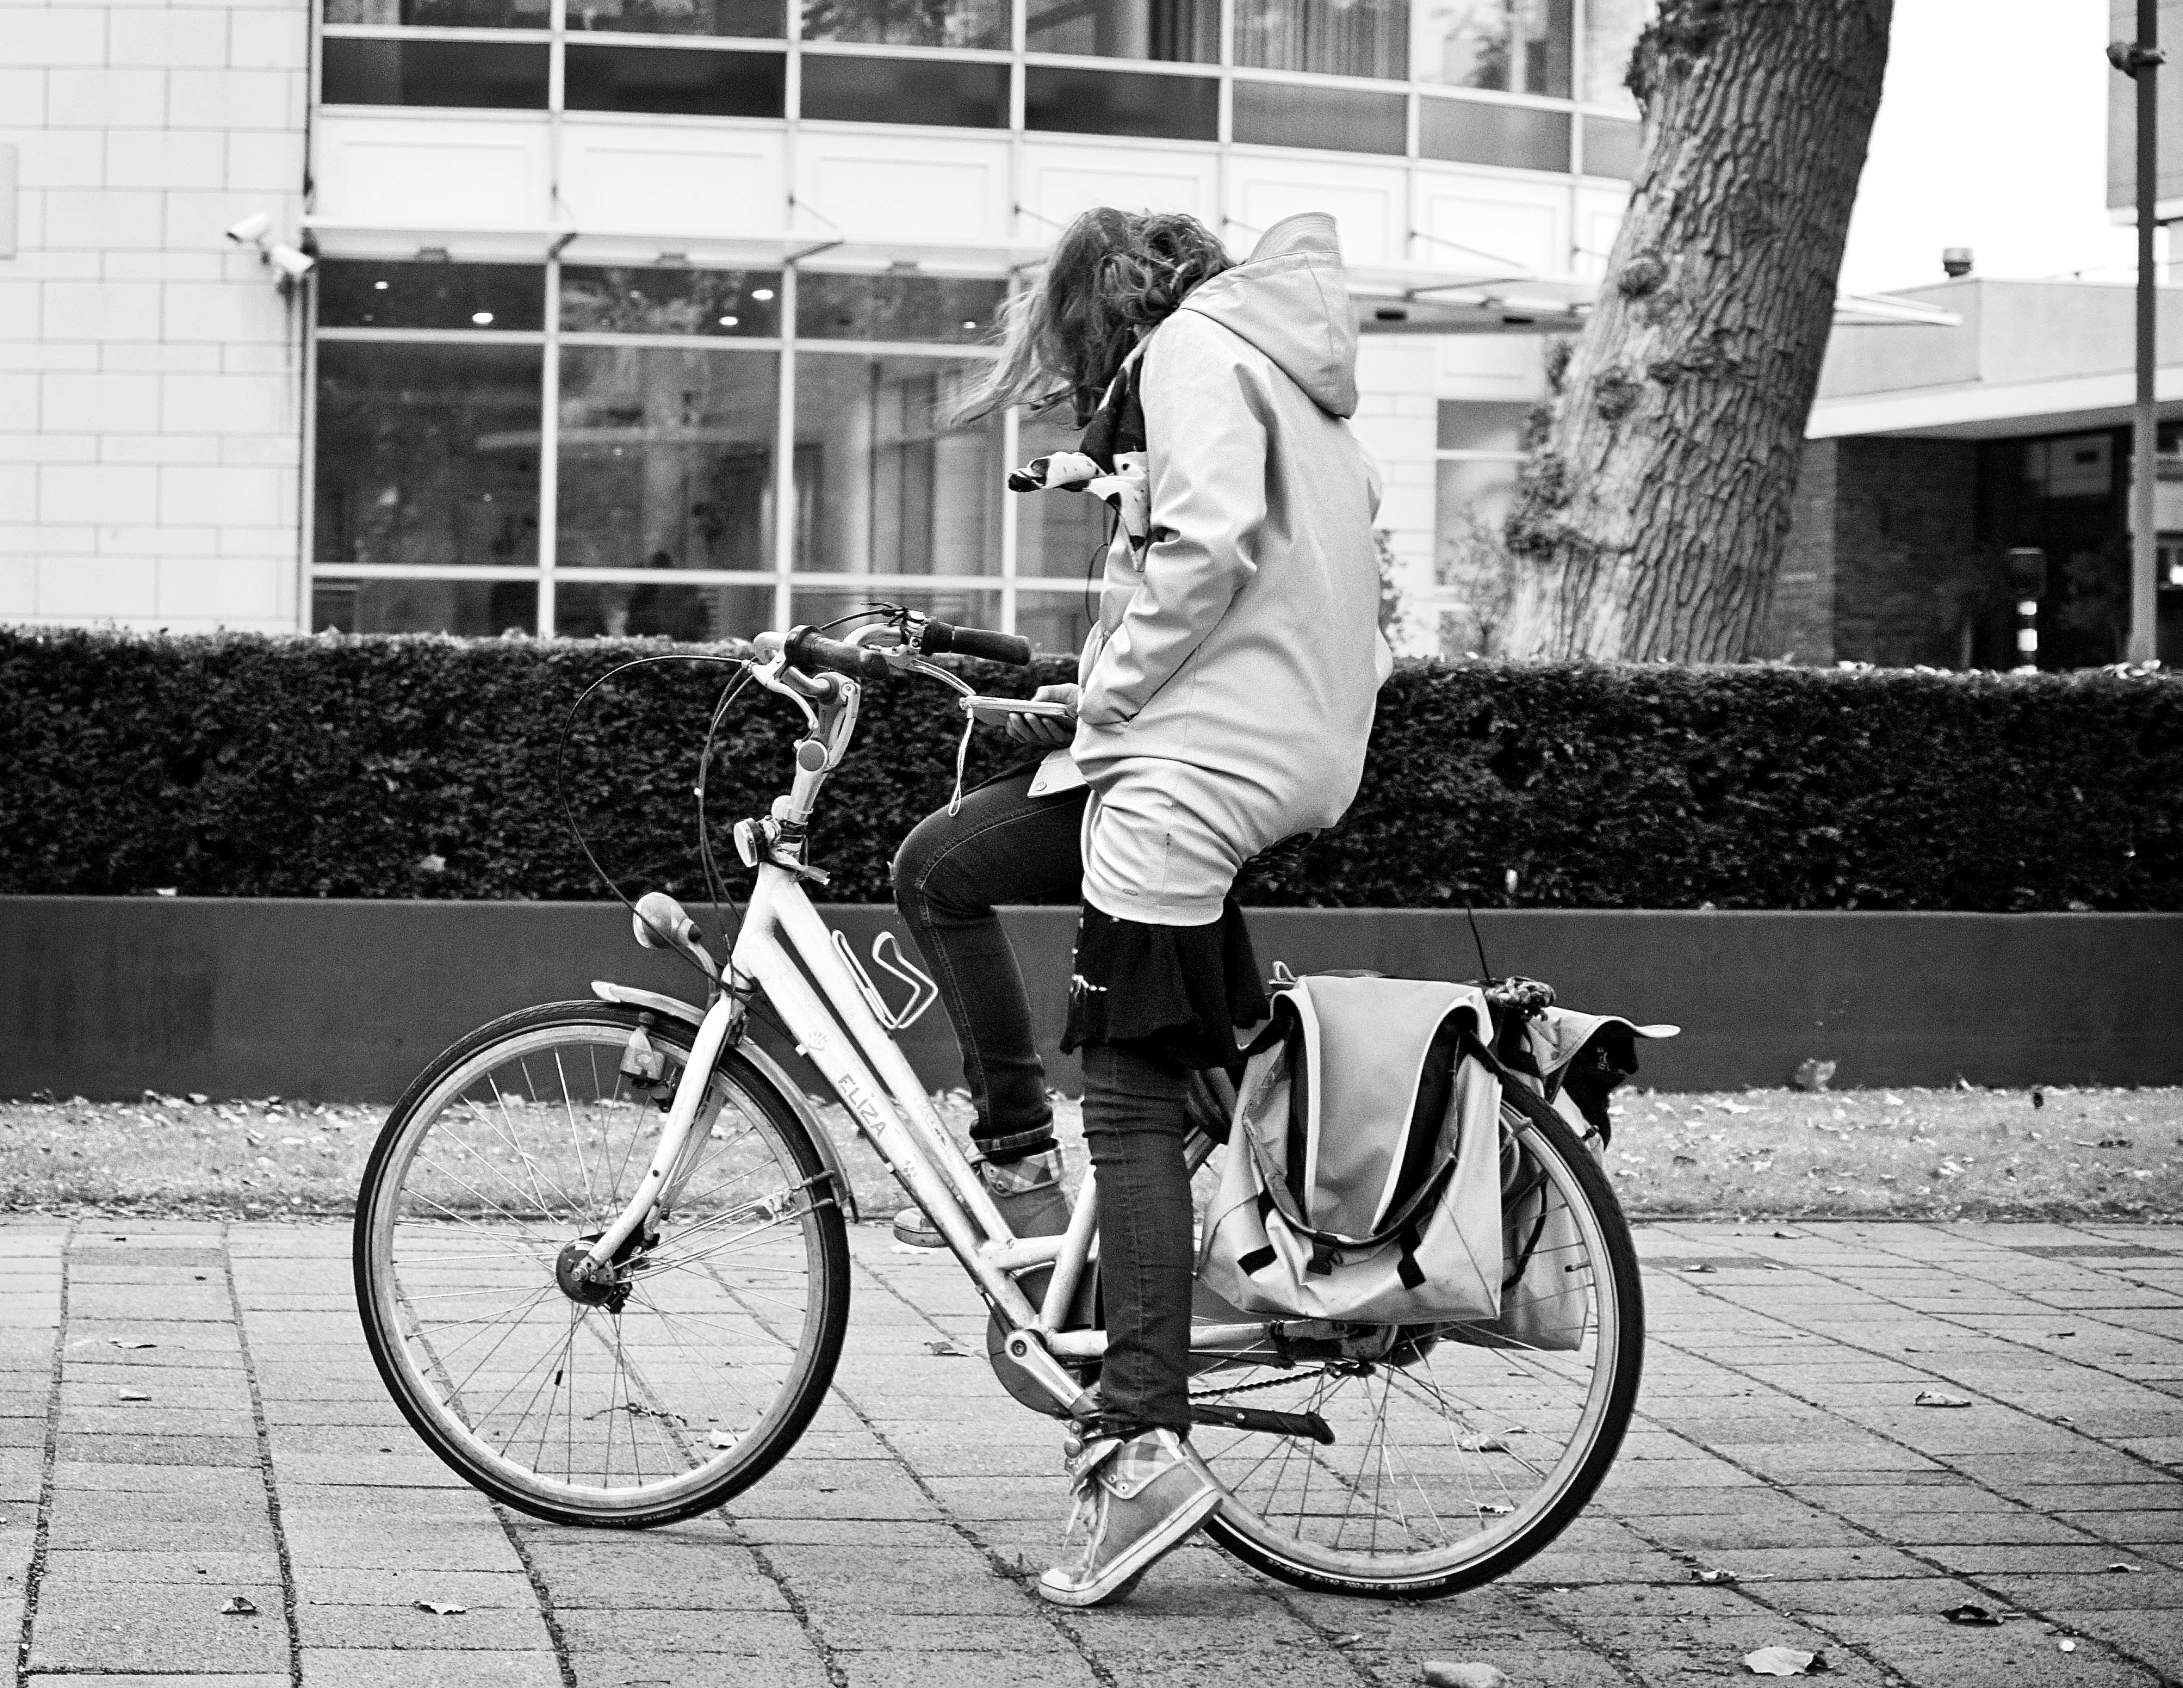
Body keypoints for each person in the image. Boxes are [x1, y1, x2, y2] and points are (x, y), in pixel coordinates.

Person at [889, 206, 1391, 1606]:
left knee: (1124, 1088)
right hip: (1236, 743)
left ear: (1112, 295)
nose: (1078, 368)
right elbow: (1299, 580)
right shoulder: (1283, 368)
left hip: (1197, 765)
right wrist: (1090, 691)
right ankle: (1014, 1169)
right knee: (945, 864)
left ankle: (1140, 1442)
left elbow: (1208, 545)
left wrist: (1112, 694)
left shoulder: (1189, 349)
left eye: (1071, 335)